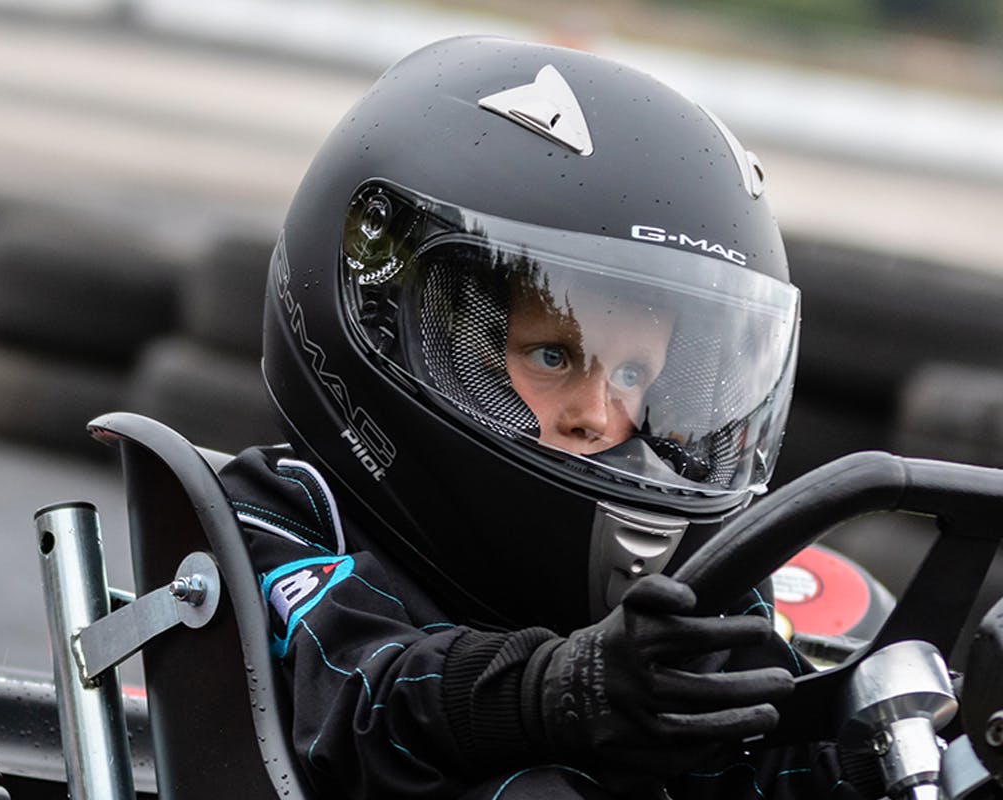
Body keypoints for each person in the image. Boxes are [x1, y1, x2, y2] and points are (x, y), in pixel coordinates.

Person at [218, 35, 858, 799]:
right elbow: (359, 706)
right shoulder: (282, 513)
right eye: (553, 356)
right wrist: (554, 691)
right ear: (391, 323)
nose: (598, 416)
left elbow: (765, 761)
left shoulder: (696, 579)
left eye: (634, 377)